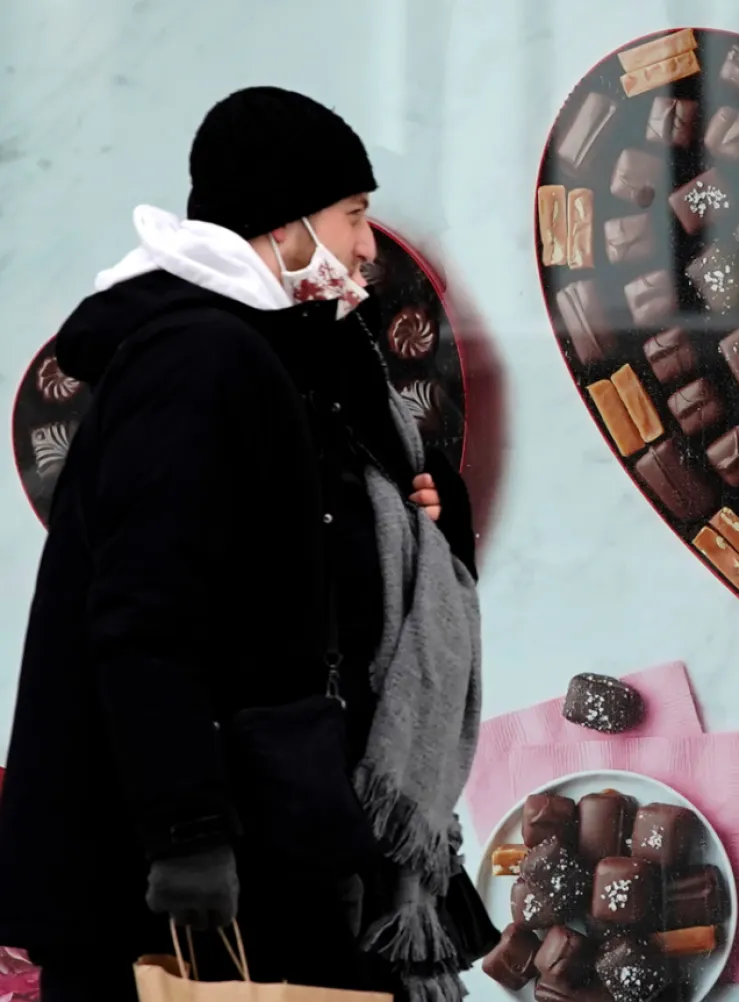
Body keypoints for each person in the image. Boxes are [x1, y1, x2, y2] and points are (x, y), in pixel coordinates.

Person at [0, 87, 493, 1001]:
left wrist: (432, 518)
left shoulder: (285, 356)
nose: (366, 247)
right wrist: (187, 838)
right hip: (192, 865)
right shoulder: (197, 362)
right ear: (286, 219)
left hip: (280, 822)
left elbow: (309, 561)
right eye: (353, 215)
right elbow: (143, 616)